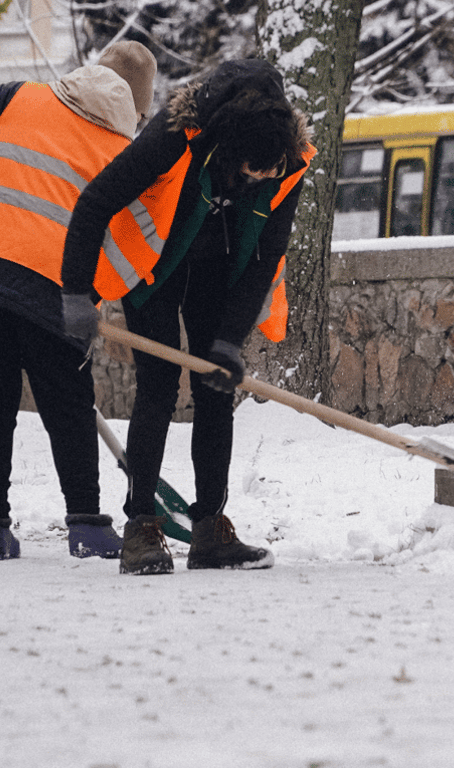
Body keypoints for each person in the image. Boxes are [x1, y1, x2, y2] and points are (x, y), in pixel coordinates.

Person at [59, 58, 314, 576]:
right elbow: (94, 204)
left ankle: (209, 529)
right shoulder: (177, 135)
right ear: (227, 148)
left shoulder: (289, 158)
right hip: (155, 260)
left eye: (271, 171)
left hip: (219, 264)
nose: (263, 178)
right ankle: (142, 527)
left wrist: (228, 341)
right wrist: (76, 296)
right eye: (252, 170)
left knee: (217, 386)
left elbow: (265, 257)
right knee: (158, 385)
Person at [0, 42, 158, 562]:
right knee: (69, 404)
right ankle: (88, 528)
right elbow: (127, 243)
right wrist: (91, 295)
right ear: (139, 109)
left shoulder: (20, 96)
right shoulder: (128, 152)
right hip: (52, 287)